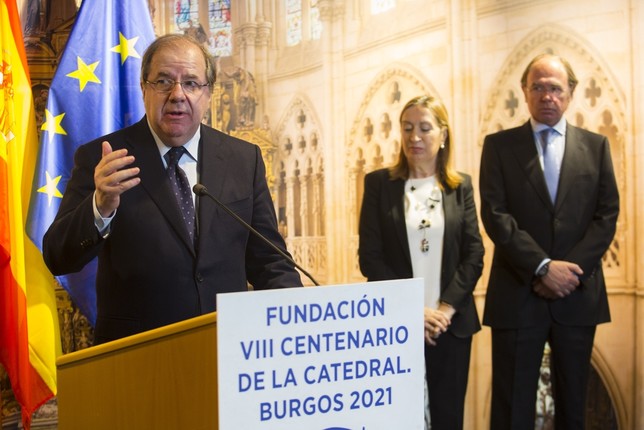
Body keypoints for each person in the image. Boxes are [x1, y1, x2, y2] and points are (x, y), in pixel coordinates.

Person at [43, 34, 303, 344]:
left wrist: (296, 322)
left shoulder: (243, 160)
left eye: (192, 83)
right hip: (138, 355)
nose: (177, 94)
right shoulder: (104, 157)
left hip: (227, 351)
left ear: (208, 94)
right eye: (163, 81)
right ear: (144, 88)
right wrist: (100, 206)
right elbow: (59, 257)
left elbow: (270, 262)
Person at [479, 53, 619, 429]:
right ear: (524, 92)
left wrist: (569, 272)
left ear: (570, 93)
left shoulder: (597, 147)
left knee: (575, 406)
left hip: (577, 293)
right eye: (537, 87)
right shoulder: (499, 146)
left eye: (555, 88)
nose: (547, 96)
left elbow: (606, 216)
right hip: (517, 293)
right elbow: (495, 214)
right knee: (511, 411)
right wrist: (542, 267)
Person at [358, 95, 484, 429]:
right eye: (408, 128)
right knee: (399, 419)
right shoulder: (378, 185)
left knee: (448, 418)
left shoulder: (460, 186)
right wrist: (414, 309)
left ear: (443, 135)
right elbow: (370, 259)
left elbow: (474, 255)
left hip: (450, 325)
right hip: (397, 321)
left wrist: (443, 310)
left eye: (425, 128)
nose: (415, 137)